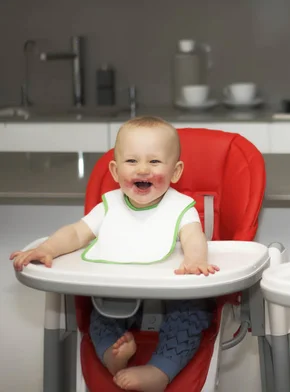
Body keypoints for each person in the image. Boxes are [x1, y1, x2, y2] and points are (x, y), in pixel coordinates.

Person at [11, 116, 219, 392]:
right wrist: (46, 248)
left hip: (173, 294)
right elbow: (75, 233)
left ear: (176, 171)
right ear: (114, 169)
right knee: (101, 316)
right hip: (120, 294)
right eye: (131, 161)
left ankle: (161, 370)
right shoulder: (108, 207)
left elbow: (194, 237)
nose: (142, 169)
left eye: (154, 162)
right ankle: (114, 355)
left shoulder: (181, 208)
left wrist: (195, 260)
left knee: (192, 314)